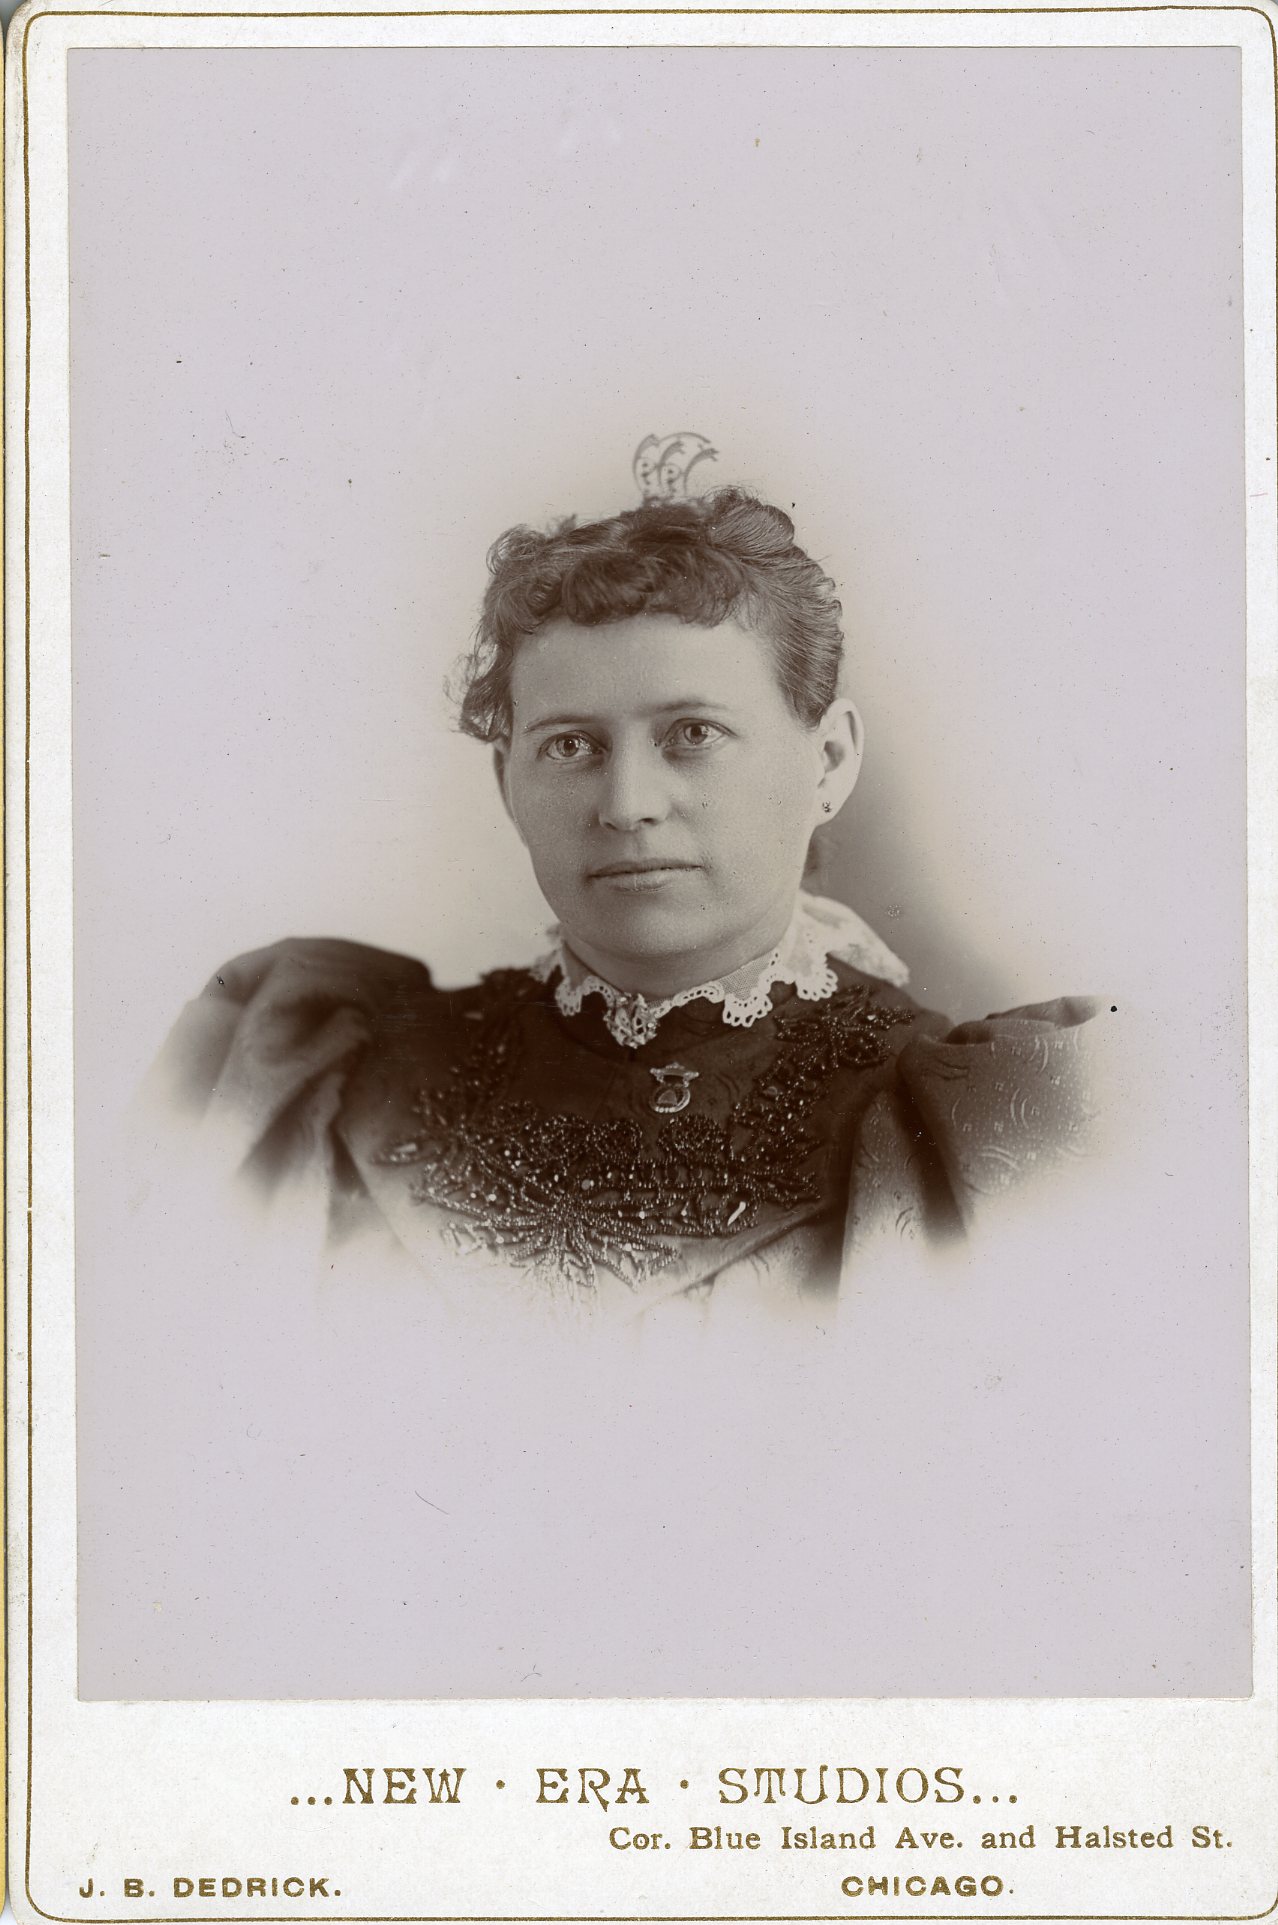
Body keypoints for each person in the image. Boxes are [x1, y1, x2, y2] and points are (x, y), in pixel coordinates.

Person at [152, 473, 1101, 1319]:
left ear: (829, 761)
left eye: (693, 734)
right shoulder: (325, 1081)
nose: (627, 804)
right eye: (571, 745)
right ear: (506, 783)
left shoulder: (964, 1135)